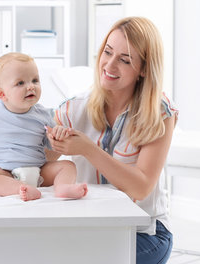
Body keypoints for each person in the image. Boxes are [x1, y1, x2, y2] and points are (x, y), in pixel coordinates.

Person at [45, 17, 178, 264]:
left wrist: (87, 149)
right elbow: (39, 160)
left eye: (125, 60)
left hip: (144, 233)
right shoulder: (73, 109)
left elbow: (141, 187)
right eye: (107, 52)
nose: (109, 64)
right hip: (91, 230)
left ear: (144, 69)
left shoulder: (159, 112)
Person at [0, 52, 88, 201]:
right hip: (5, 171)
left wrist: (58, 134)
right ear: (1, 94)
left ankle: (62, 187)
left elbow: (52, 144)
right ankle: (20, 189)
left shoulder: (42, 114)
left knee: (68, 165)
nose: (30, 87)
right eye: (20, 83)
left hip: (39, 171)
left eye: (35, 80)